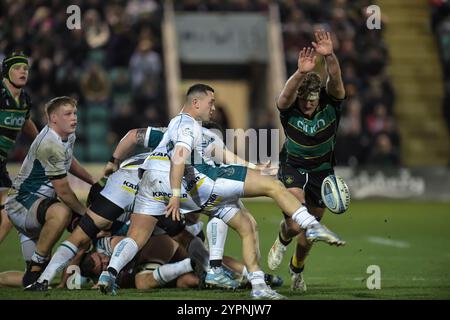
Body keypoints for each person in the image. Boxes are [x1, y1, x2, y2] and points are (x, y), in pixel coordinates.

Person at [97, 84, 345, 300]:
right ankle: (307, 225)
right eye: (211, 102)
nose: (214, 107)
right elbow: (181, 157)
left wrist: (254, 167)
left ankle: (110, 274)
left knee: (138, 235)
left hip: (149, 181)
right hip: (186, 184)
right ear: (196, 103)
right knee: (266, 189)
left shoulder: (173, 125)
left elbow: (223, 156)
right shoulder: (192, 127)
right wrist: (174, 192)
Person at [267, 30, 346, 292]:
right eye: (304, 100)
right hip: (294, 166)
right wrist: (300, 73)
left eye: (312, 100)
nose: (308, 105)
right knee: (294, 223)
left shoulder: (331, 103)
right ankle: (281, 238)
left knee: (310, 230)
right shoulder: (289, 109)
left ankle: (297, 269)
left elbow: (335, 81)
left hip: (322, 171)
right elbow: (283, 98)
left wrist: (331, 56)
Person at [5, 96, 94, 287]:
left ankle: (34, 272)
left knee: (31, 281)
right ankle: (38, 263)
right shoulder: (49, 144)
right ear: (53, 118)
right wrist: (85, 214)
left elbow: (68, 161)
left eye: (75, 113)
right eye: (68, 114)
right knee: (63, 211)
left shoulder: (67, 134)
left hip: (36, 208)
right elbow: (63, 192)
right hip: (23, 204)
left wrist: (92, 181)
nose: (74, 118)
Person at [0, 52, 39, 245]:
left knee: (9, 210)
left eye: (25, 68)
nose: (23, 71)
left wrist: (43, 142)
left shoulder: (24, 100)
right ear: (6, 72)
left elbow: (26, 124)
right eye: (17, 68)